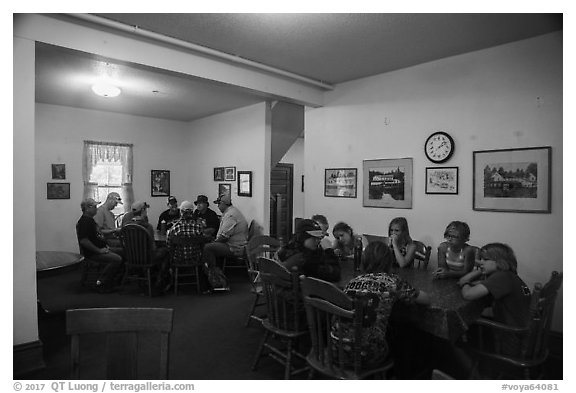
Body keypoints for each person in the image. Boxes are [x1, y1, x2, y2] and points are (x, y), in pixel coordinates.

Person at [337, 241, 430, 366]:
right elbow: (425, 299)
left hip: (337, 350)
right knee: (403, 334)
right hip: (367, 355)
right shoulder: (393, 281)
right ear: (389, 261)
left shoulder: (352, 282)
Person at [458, 243, 532, 359]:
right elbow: (479, 285)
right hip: (525, 330)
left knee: (466, 333)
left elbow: (468, 294)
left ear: (500, 262)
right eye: (481, 259)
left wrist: (465, 283)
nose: (481, 262)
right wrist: (480, 271)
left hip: (512, 335)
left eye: (486, 259)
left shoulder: (502, 277)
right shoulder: (508, 275)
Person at [201, 193, 249, 291]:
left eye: (219, 204)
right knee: (209, 245)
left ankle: (214, 277)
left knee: (207, 248)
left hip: (235, 247)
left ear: (223, 204)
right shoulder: (231, 212)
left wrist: (214, 241)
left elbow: (224, 237)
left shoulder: (230, 215)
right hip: (233, 243)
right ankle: (211, 274)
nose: (218, 206)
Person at [76, 197, 123, 293]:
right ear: (87, 208)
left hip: (102, 249)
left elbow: (98, 236)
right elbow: (84, 241)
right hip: (93, 253)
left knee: (124, 251)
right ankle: (101, 283)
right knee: (117, 259)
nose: (96, 208)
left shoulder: (90, 220)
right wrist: (99, 250)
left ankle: (115, 280)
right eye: (94, 207)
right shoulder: (85, 222)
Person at [126, 201, 170, 293]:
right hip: (146, 258)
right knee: (166, 252)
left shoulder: (127, 225)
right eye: (145, 209)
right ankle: (160, 281)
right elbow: (152, 246)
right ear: (143, 210)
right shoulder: (147, 226)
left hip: (130, 257)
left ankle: (146, 276)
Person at [167, 201, 209, 290]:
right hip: (195, 259)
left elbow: (168, 244)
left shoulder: (175, 228)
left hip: (178, 259)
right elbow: (203, 243)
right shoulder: (198, 227)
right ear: (192, 212)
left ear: (181, 212)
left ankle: (170, 282)